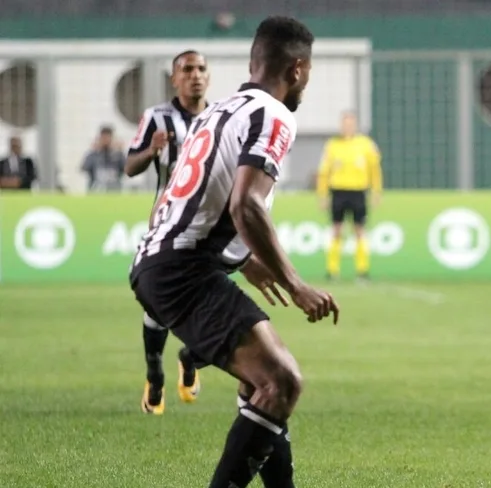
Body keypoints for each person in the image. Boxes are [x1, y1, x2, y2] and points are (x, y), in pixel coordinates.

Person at [129, 16, 338, 488]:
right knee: (281, 381)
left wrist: (244, 260)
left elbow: (194, 199)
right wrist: (295, 283)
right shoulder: (274, 115)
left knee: (261, 385)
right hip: (185, 270)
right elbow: (246, 203)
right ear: (299, 69)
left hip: (164, 262)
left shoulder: (216, 112)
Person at [125, 49, 210, 415]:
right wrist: (151, 151)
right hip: (166, 226)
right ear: (175, 79)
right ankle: (155, 373)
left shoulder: (219, 117)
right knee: (156, 305)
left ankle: (189, 358)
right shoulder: (157, 118)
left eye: (202, 68)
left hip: (210, 229)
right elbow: (130, 166)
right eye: (187, 69)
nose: (195, 75)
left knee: (215, 308)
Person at [316, 111, 382, 281]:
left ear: (356, 125)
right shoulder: (332, 145)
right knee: (337, 230)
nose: (348, 127)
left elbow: (375, 170)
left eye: (351, 124)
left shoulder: (366, 145)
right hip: (338, 191)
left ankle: (362, 270)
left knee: (359, 229)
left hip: (358, 191)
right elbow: (323, 171)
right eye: (345, 124)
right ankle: (332, 270)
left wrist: (376, 191)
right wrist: (322, 195)